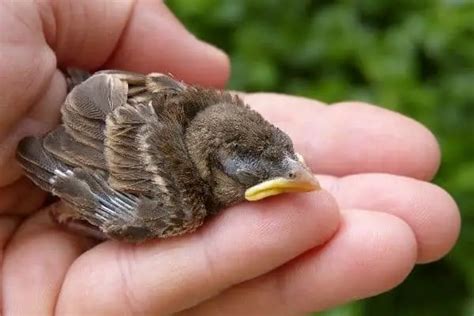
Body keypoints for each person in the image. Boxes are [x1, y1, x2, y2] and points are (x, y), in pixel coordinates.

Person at [0, 1, 460, 315]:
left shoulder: (224, 114)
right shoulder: (182, 196)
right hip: (81, 133)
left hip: (100, 98)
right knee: (161, 214)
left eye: (287, 157)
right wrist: (72, 194)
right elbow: (100, 192)